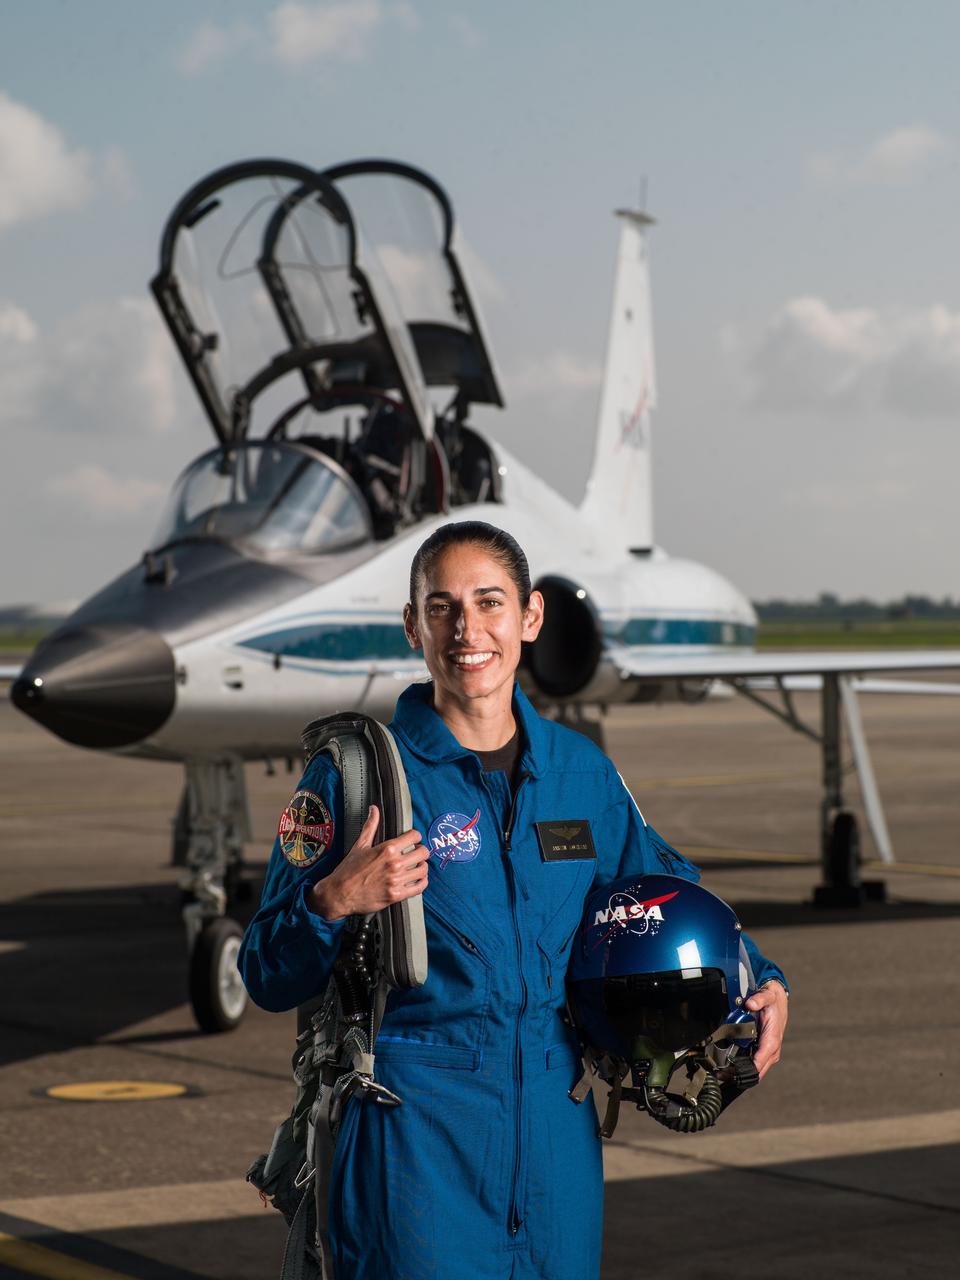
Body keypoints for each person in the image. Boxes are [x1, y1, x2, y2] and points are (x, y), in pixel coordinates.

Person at [239, 521, 789, 1280]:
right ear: (412, 626)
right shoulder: (357, 779)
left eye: (489, 603)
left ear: (529, 618)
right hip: (413, 1137)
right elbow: (266, 972)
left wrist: (765, 978)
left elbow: (668, 890)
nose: (467, 630)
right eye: (442, 607)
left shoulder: (579, 773)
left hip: (555, 1134)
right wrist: (332, 901)